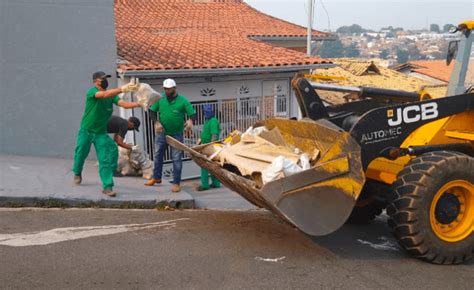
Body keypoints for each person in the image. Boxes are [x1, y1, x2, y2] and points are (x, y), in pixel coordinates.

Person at [72, 71, 141, 197]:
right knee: (80, 154)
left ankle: (107, 186)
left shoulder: (111, 96)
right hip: (86, 131)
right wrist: (122, 89)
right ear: (96, 81)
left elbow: (124, 104)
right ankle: (77, 172)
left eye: (106, 78)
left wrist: (139, 103)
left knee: (104, 159)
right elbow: (103, 95)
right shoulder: (92, 92)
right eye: (102, 79)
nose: (105, 81)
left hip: (100, 133)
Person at [145, 79, 195, 193]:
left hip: (176, 134)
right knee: (157, 155)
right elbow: (151, 111)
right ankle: (156, 177)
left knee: (176, 158)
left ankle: (176, 183)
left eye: (168, 89)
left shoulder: (183, 101)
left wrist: (190, 121)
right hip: (161, 133)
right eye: (165, 89)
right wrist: (156, 122)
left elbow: (193, 114)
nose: (166, 91)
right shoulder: (160, 98)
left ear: (174, 88)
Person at [196, 104, 221, 191]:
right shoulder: (207, 120)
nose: (205, 113)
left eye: (207, 111)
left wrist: (211, 146)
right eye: (205, 111)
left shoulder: (213, 121)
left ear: (212, 111)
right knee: (212, 166)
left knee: (205, 165)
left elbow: (214, 135)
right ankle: (215, 183)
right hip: (206, 146)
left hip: (210, 147)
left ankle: (205, 185)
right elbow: (204, 133)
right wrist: (199, 142)